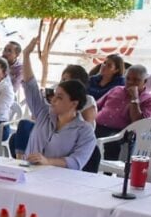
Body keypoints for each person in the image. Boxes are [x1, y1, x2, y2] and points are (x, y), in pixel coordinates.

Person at [18, 36, 96, 170]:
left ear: (73, 103)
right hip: (27, 173)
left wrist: (47, 161)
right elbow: (30, 86)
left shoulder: (85, 131)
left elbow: (77, 162)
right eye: (54, 95)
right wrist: (26, 55)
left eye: (59, 97)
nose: (53, 100)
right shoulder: (44, 113)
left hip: (58, 182)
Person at [95, 64, 151, 160]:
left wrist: (135, 98)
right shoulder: (116, 89)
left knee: (111, 143)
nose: (130, 82)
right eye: (127, 79)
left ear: (145, 81)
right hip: (98, 125)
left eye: (136, 80)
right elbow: (96, 106)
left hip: (121, 132)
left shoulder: (150, 100)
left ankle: (107, 172)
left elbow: (138, 122)